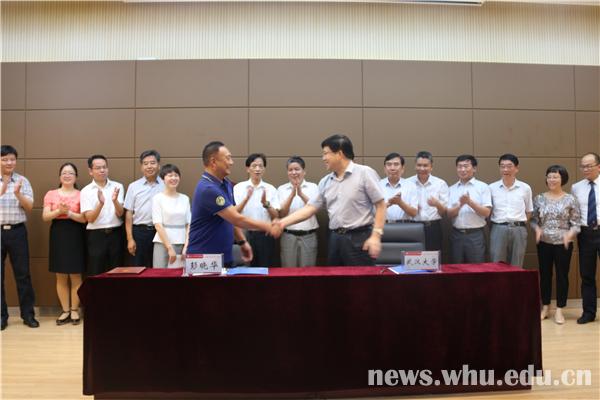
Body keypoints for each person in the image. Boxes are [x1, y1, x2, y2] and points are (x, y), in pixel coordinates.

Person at [272, 134, 386, 266]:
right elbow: (310, 208)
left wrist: (376, 236)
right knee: (334, 278)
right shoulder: (326, 181)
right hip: (334, 238)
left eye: (326, 153)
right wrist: (282, 223)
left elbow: (381, 205)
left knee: (359, 278)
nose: (323, 158)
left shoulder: (364, 173)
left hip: (359, 238)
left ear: (339, 153)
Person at [187, 141, 273, 268]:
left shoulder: (226, 183)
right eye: (228, 158)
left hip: (224, 257)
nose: (232, 162)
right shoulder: (208, 189)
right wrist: (269, 226)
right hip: (204, 259)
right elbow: (237, 218)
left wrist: (242, 241)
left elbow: (230, 216)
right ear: (213, 162)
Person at [531, 165, 580, 324]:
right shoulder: (539, 198)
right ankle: (546, 306)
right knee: (545, 275)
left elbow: (576, 223)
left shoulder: (570, 199)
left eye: (555, 177)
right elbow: (533, 220)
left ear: (562, 179)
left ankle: (560, 309)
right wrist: (537, 229)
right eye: (549, 176)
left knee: (562, 276)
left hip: (563, 243)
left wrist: (569, 235)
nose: (552, 179)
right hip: (544, 242)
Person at [42, 163, 87, 325]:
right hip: (58, 234)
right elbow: (45, 217)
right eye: (64, 173)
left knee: (75, 275)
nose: (67, 175)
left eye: (71, 173)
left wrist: (68, 212)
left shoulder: (82, 194)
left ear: (76, 177)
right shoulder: (51, 194)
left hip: (76, 234)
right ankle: (65, 310)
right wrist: (58, 212)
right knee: (60, 275)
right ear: (60, 176)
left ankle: (75, 310)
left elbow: (84, 219)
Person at [0, 145, 38, 330]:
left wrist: (17, 193)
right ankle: (1, 316)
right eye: (5, 159)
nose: (9, 162)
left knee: (23, 275)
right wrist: (3, 189)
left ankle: (28, 315)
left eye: (12, 159)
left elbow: (29, 207)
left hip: (17, 232)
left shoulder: (23, 181)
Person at [80, 154, 125, 276]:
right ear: (90, 171)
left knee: (117, 272)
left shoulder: (117, 186)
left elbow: (120, 213)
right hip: (96, 236)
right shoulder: (85, 191)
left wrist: (115, 201)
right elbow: (90, 218)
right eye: (98, 168)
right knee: (96, 272)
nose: (102, 170)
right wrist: (100, 204)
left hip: (116, 234)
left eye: (104, 167)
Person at [233, 153, 280, 267]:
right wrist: (246, 199)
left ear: (264, 169)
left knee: (265, 268)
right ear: (248, 168)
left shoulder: (270, 188)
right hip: (244, 234)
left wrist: (266, 204)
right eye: (254, 166)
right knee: (245, 268)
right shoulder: (238, 187)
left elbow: (276, 216)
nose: (257, 169)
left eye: (261, 166)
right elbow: (233, 213)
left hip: (265, 235)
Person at [489, 154, 533, 268]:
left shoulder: (525, 188)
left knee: (517, 264)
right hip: (498, 228)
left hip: (519, 229)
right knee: (497, 264)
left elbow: (529, 211)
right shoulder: (491, 188)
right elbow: (489, 210)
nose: (505, 169)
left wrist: (519, 224)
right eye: (502, 166)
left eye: (509, 166)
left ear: (516, 168)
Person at [571, 152, 600, 324]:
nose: (585, 169)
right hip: (586, 234)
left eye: (589, 166)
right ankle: (589, 312)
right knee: (587, 275)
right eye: (583, 166)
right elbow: (574, 212)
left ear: (599, 166)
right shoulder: (576, 187)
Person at [447, 155, 492, 263]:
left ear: (474, 168)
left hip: (475, 235)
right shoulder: (451, 189)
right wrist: (461, 204)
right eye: (459, 166)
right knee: (456, 267)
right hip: (456, 234)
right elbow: (449, 215)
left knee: (476, 268)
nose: (462, 169)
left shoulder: (483, 187)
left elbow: (487, 213)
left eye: (466, 166)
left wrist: (469, 202)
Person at [277, 156, 319, 267]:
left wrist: (300, 193)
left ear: (304, 171)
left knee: (308, 271)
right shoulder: (281, 189)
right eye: (290, 170)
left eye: (297, 169)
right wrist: (292, 195)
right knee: (288, 271)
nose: (294, 172)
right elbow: (282, 214)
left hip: (309, 235)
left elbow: (315, 209)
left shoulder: (313, 187)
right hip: (288, 235)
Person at [124, 150, 164, 267]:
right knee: (139, 267)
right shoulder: (133, 186)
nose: (149, 166)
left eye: (152, 163)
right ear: (141, 167)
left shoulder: (165, 185)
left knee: (158, 267)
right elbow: (129, 213)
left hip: (160, 232)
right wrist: (130, 239)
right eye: (145, 163)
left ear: (158, 165)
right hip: (139, 233)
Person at [408, 151, 448, 251]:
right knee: (413, 257)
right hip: (412, 226)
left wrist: (437, 204)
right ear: (415, 166)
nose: (422, 168)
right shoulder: (407, 183)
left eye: (425, 165)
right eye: (419, 165)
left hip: (433, 227)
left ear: (431, 167)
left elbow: (444, 212)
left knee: (433, 257)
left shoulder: (440, 184)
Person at [152, 164, 191, 268]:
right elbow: (158, 225)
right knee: (160, 274)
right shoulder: (157, 198)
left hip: (182, 243)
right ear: (163, 179)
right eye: (170, 175)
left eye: (176, 175)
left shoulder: (185, 198)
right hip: (162, 243)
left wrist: (186, 246)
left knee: (180, 274)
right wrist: (169, 248)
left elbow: (189, 224)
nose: (173, 178)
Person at [379, 152, 418, 223]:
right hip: (383, 225)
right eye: (389, 164)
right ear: (384, 168)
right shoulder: (377, 185)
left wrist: (400, 203)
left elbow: (414, 213)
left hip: (405, 226)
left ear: (402, 168)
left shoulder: (411, 186)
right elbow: (371, 212)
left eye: (396, 164)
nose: (392, 168)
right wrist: (387, 205)